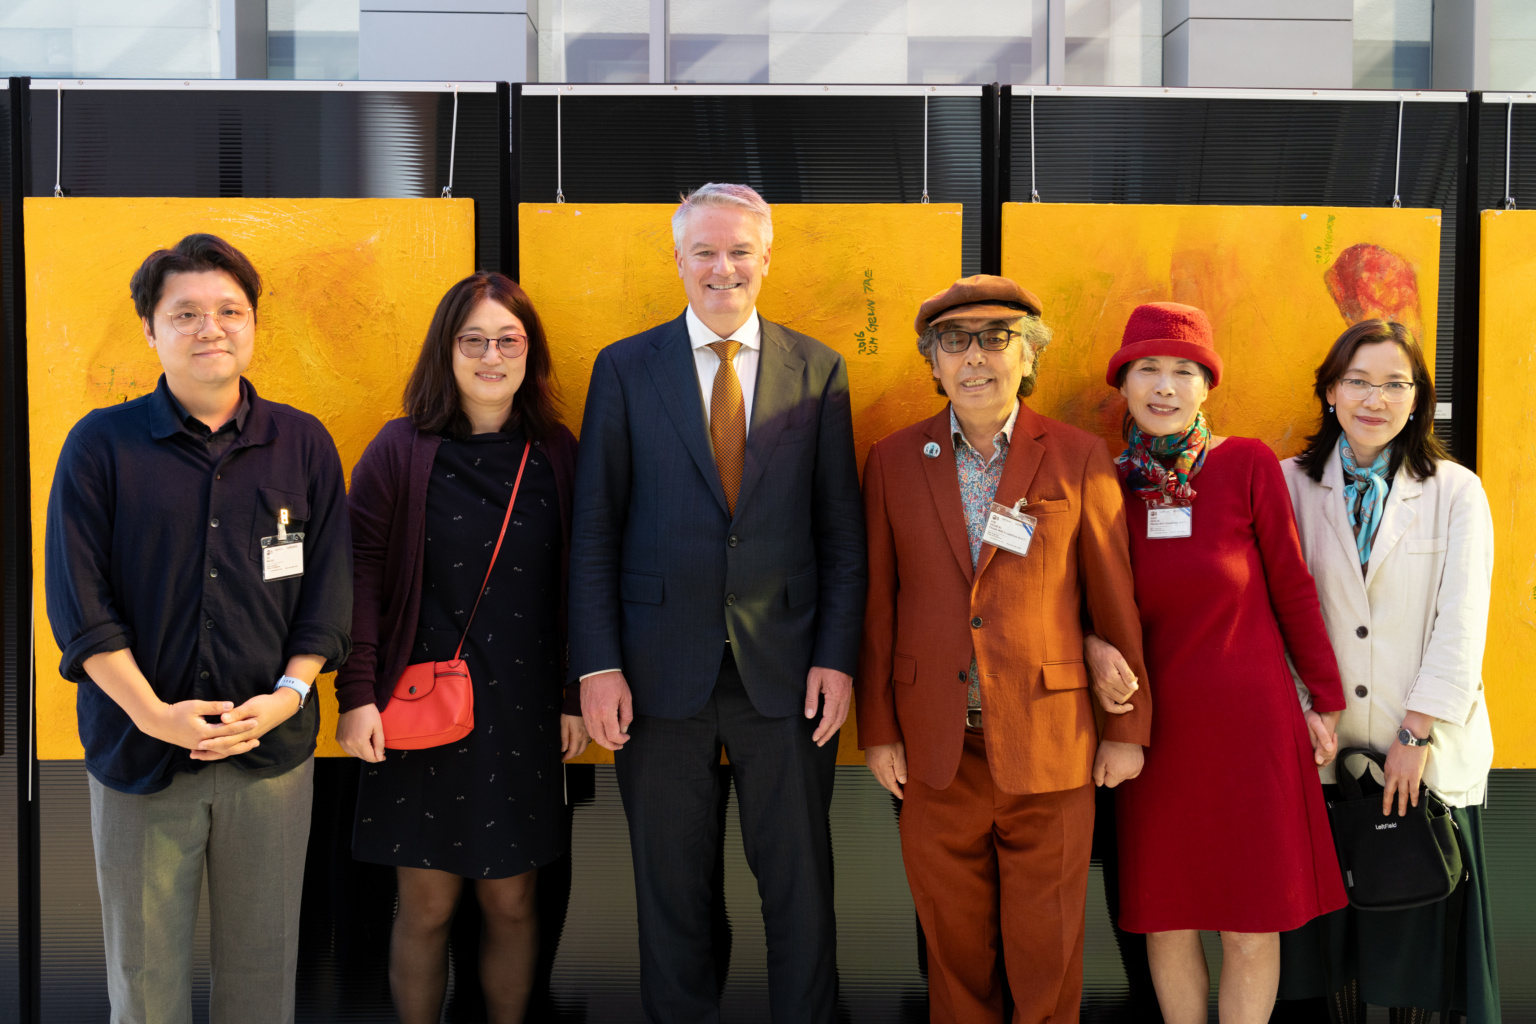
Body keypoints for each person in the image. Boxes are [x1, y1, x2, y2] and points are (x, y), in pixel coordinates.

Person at [568, 182, 866, 1024]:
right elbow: (595, 530)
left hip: (789, 673)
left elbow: (842, 535)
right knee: (671, 894)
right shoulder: (625, 368)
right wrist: (596, 665)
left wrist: (837, 657)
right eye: (704, 250)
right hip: (656, 678)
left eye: (740, 251)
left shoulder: (819, 369)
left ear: (766, 260)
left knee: (802, 891)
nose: (722, 267)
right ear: (678, 260)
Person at [43, 233, 353, 1024]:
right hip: (142, 753)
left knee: (262, 985)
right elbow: (80, 605)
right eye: (185, 313)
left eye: (229, 311)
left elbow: (328, 591)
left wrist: (289, 695)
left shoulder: (303, 441)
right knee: (144, 991)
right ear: (150, 328)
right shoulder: (99, 447)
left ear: (253, 325)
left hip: (272, 754)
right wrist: (155, 714)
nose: (210, 328)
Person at [856, 275, 1151, 1024]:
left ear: (1029, 356)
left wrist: (1126, 730)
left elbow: (1113, 601)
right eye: (955, 342)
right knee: (954, 954)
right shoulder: (892, 460)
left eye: (997, 338)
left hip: (1052, 743)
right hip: (934, 747)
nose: (976, 358)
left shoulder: (1080, 456)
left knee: (1047, 951)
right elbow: (879, 606)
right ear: (933, 363)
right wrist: (880, 729)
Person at [334, 271, 590, 1024]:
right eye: (472, 339)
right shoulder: (400, 451)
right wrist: (356, 697)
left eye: (507, 340)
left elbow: (584, 580)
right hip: (418, 712)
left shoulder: (558, 454)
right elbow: (362, 579)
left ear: (529, 353)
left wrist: (576, 697)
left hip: (525, 709)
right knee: (425, 904)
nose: (490, 355)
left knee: (512, 901)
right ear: (444, 351)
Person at [1087, 301, 1347, 1024]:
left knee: (1249, 916)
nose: (1164, 387)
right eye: (1148, 369)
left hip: (1252, 727)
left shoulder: (1247, 463)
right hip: (1153, 731)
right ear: (1125, 383)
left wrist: (1322, 700)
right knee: (1167, 913)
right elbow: (1077, 603)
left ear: (1207, 387)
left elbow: (1294, 587)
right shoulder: (1102, 481)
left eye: (1182, 372)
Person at [1275, 319, 1499, 1024]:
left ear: (1419, 398)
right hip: (1321, 750)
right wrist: (1306, 706)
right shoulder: (1286, 484)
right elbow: (1271, 613)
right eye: (1359, 381)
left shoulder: (1455, 490)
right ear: (1331, 392)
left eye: (1396, 384)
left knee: (1419, 938)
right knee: (1325, 947)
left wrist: (1418, 732)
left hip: (1422, 756)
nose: (1376, 399)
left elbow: (1461, 622)